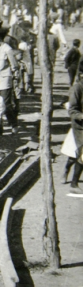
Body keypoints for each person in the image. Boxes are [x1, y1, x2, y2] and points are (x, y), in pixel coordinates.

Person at [0, 30, 19, 135]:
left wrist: (15, 76)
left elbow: (14, 65)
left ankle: (13, 123)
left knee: (5, 104)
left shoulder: (7, 49)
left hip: (4, 80)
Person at [62, 60, 83, 193]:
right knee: (79, 154)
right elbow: (72, 110)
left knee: (76, 154)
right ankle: (74, 184)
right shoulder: (77, 88)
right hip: (80, 126)